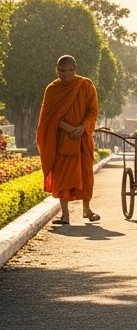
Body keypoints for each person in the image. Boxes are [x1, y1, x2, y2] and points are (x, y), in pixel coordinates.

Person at [36, 55, 100, 225]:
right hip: (62, 140)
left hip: (82, 140)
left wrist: (83, 127)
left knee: (85, 174)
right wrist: (69, 128)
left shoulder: (85, 85)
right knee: (62, 176)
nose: (62, 73)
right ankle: (65, 215)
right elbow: (49, 118)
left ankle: (87, 210)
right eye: (59, 70)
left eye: (65, 70)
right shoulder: (52, 89)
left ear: (73, 70)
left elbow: (92, 111)